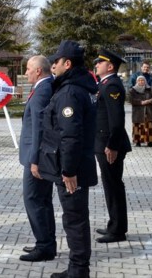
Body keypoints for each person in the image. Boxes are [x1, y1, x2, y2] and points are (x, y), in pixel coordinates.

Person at [39, 40, 98, 278]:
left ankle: (78, 270)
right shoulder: (75, 87)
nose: (53, 66)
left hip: (72, 169)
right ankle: (77, 267)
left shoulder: (70, 92)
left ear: (68, 63)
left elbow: (70, 135)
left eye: (56, 62)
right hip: (72, 165)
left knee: (74, 219)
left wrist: (68, 171)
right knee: (75, 218)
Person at [18, 55, 56, 262]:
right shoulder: (44, 87)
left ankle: (44, 246)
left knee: (34, 199)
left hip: (38, 157)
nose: (26, 73)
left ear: (38, 71)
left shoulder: (43, 90)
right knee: (42, 200)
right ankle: (46, 243)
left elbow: (40, 128)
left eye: (28, 69)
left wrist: (34, 160)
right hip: (38, 155)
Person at [93, 49, 131, 244]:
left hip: (109, 144)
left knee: (114, 186)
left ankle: (117, 231)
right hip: (104, 143)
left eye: (100, 62)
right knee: (110, 185)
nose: (96, 64)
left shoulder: (112, 85)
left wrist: (112, 145)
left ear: (110, 66)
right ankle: (114, 224)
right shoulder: (104, 84)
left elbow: (116, 120)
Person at [129, 76, 152, 147]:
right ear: (137, 82)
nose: (141, 82)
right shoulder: (132, 90)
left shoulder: (151, 89)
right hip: (138, 111)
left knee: (149, 126)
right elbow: (130, 99)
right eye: (139, 80)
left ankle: (150, 142)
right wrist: (141, 102)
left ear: (145, 81)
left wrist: (150, 100)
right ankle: (138, 141)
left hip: (149, 110)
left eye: (142, 80)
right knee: (138, 126)